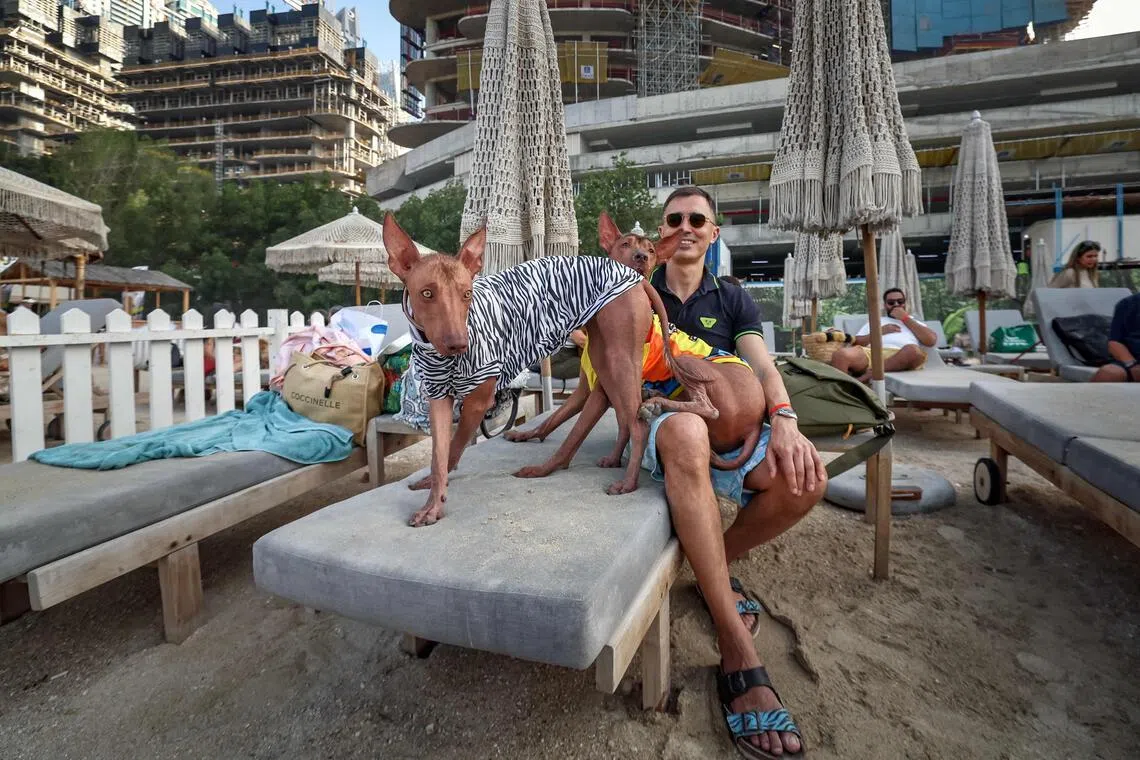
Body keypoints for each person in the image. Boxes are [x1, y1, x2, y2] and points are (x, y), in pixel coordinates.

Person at [645, 186, 825, 758]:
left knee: (806, 480)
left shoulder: (732, 297)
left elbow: (764, 366)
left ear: (713, 233)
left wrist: (788, 421)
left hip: (739, 429)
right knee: (687, 429)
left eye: (698, 219)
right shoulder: (637, 291)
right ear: (661, 236)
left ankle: (710, 573)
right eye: (675, 220)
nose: (687, 227)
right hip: (667, 427)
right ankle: (736, 645)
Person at [829, 288, 936, 381]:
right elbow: (857, 342)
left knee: (913, 350)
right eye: (891, 302)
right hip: (872, 354)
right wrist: (879, 332)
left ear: (905, 303)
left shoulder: (915, 323)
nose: (896, 305)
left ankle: (869, 375)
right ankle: (842, 392)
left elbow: (931, 340)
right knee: (840, 355)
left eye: (900, 301)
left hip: (902, 355)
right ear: (885, 305)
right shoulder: (876, 321)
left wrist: (904, 318)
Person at [1091, 291, 1140, 382]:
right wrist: (1133, 366)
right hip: (1134, 360)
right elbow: (1114, 343)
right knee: (1109, 373)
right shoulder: (1128, 304)